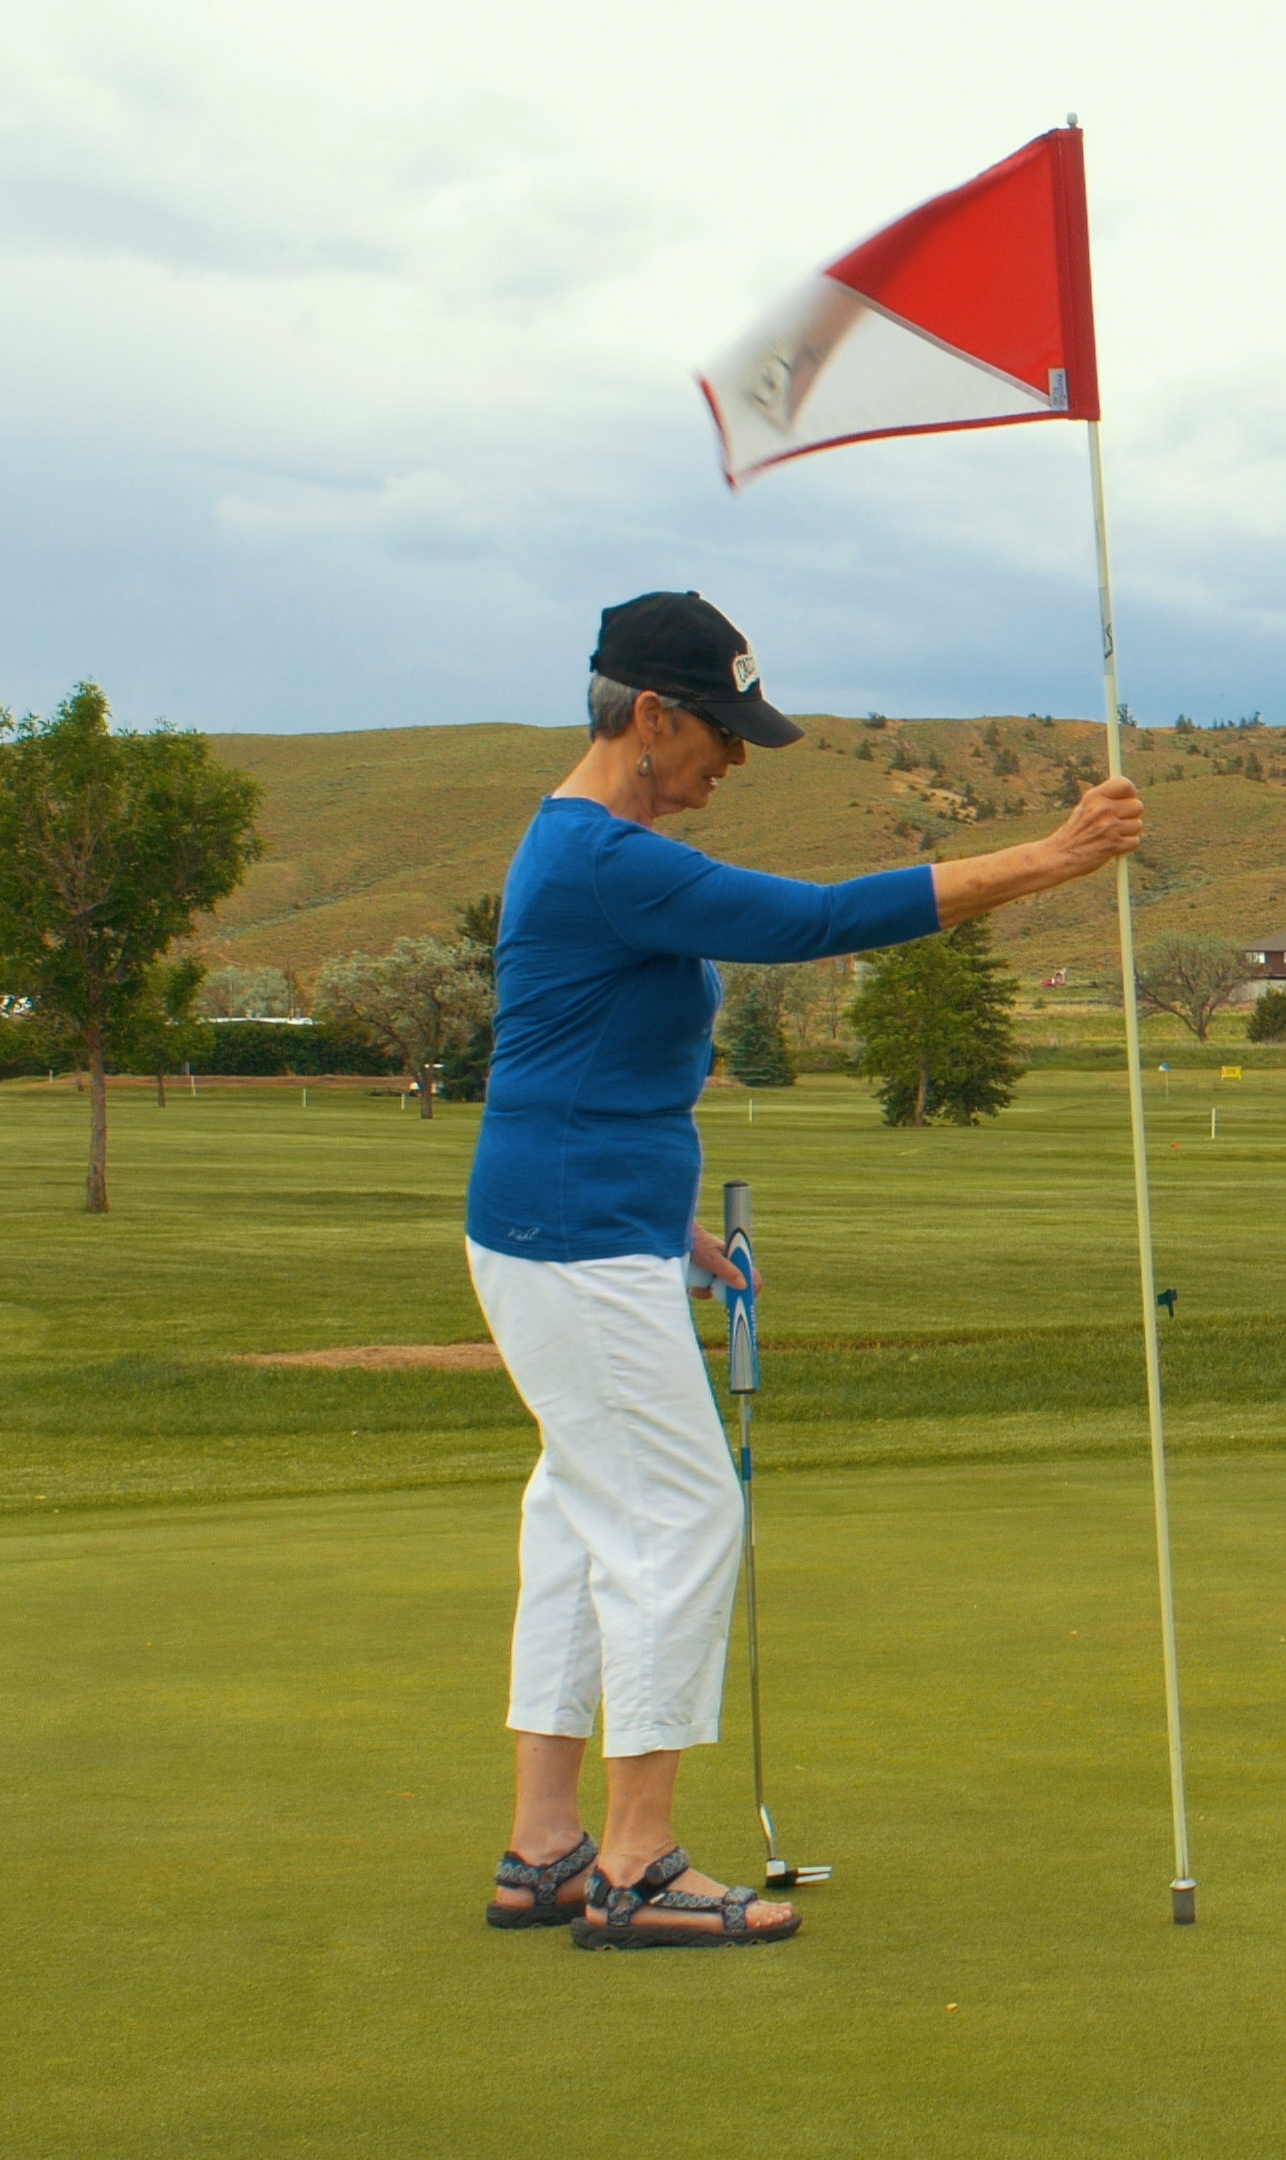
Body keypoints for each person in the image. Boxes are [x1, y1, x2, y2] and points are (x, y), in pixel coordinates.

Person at [473, 591, 1143, 1947]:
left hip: (570, 1226)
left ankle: (546, 1847)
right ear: (652, 716)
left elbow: (572, 1069)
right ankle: (637, 1864)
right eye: (721, 730)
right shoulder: (605, 854)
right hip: (569, 1238)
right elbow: (820, 920)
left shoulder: (594, 852)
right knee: (678, 1518)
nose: (735, 756)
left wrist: (671, 1229)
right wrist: (1054, 861)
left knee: (580, 1520)